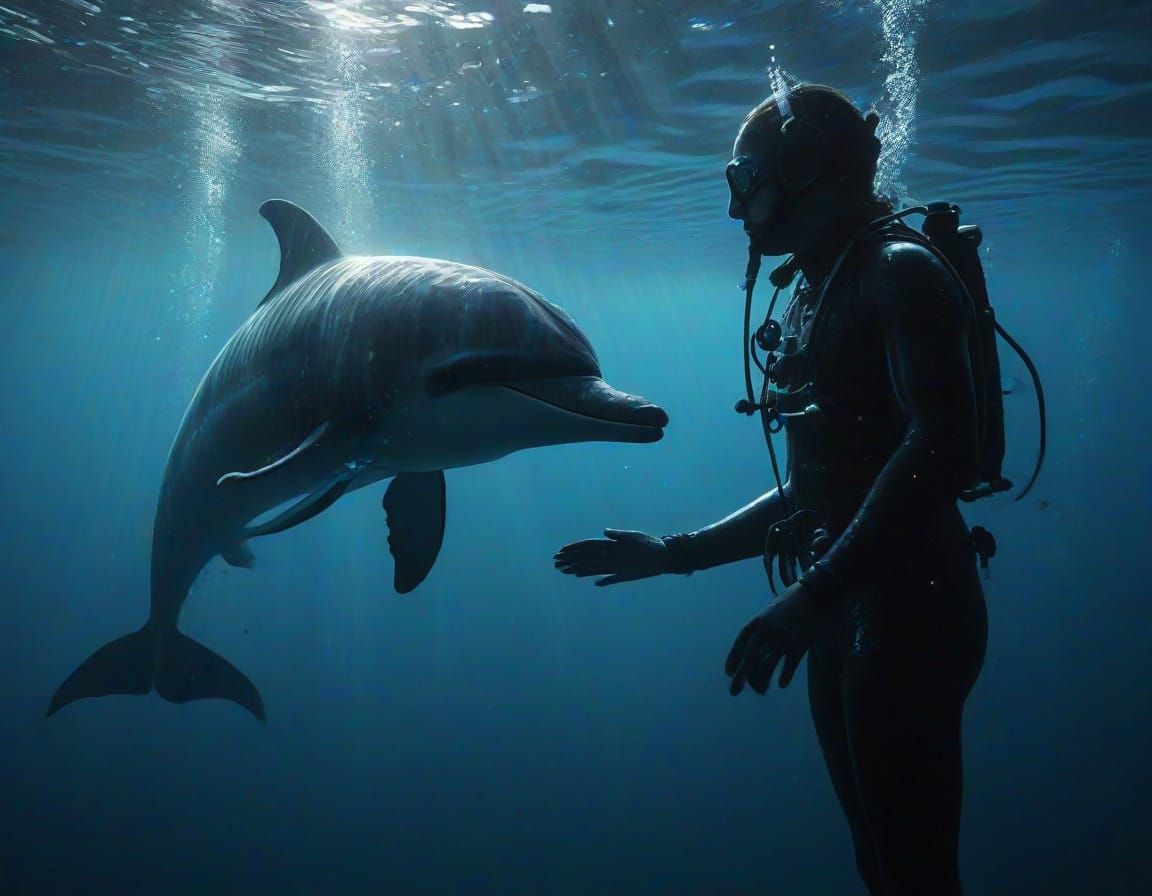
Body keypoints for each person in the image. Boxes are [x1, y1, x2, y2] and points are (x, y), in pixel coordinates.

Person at [554, 84, 988, 895]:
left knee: (916, 869)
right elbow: (812, 486)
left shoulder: (898, 274)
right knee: (878, 855)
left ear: (801, 166)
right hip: (846, 609)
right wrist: (677, 555)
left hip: (913, 613)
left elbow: (942, 450)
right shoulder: (819, 288)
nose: (737, 213)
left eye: (744, 181)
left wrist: (816, 594)